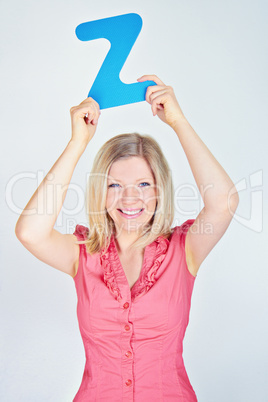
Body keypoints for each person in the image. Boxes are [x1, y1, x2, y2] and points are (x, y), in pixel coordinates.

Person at [15, 75, 239, 401]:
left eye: (144, 185)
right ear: (100, 192)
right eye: (114, 185)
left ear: (160, 190)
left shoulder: (184, 249)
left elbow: (224, 202)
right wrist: (78, 142)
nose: (129, 199)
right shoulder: (82, 253)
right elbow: (30, 232)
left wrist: (177, 121)